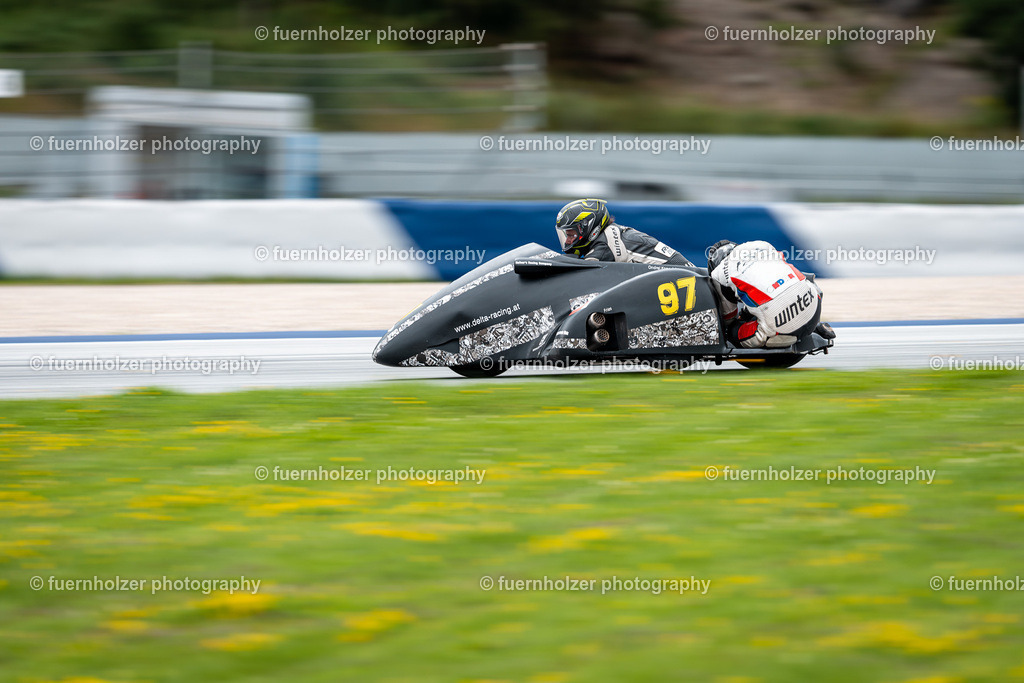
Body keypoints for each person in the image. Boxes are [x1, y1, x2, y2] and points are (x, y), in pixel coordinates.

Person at [706, 239, 834, 348]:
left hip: (778, 327)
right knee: (794, 280)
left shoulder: (718, 273)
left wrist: (740, 319)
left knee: (731, 331)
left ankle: (779, 329)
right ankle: (814, 325)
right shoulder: (762, 245)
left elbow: (728, 317)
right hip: (814, 304)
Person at [555, 198, 693, 266]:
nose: (567, 241)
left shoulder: (604, 246)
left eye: (571, 235)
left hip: (684, 281)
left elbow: (579, 278)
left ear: (589, 228)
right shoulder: (612, 232)